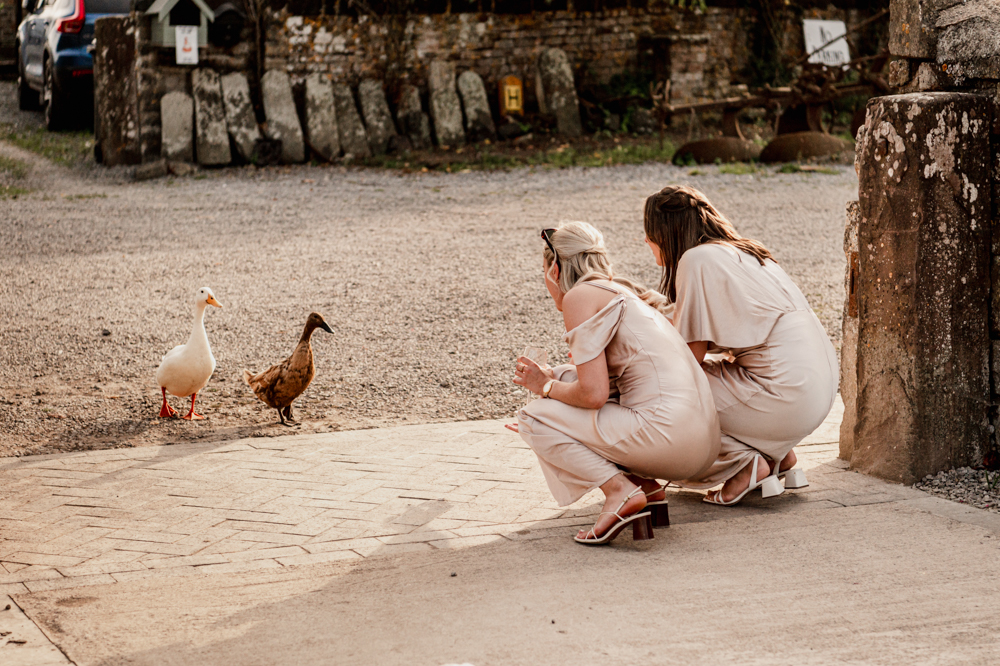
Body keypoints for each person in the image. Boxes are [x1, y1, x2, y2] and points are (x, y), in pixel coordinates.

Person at [510, 221, 720, 545]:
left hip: (667, 437)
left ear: (555, 269)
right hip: (703, 444)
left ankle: (620, 492)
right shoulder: (621, 291)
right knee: (563, 376)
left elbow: (593, 395)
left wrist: (545, 389)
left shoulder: (578, 296)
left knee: (533, 417)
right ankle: (646, 488)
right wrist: (555, 382)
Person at [642, 185, 838, 506]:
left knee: (657, 389)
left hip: (785, 396)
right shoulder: (746, 251)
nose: (645, 241)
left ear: (665, 233)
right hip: (818, 389)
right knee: (700, 378)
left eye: (649, 233)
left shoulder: (695, 260)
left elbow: (686, 361)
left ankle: (745, 466)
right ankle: (778, 455)